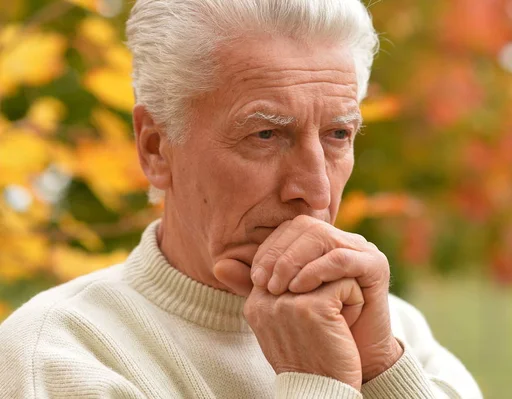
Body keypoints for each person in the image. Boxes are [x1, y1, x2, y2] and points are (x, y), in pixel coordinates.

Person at [0, 1, 483, 398]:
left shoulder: (397, 332)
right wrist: (318, 383)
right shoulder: (61, 354)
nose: (315, 190)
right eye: (266, 134)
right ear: (155, 147)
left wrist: (380, 370)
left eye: (338, 133)